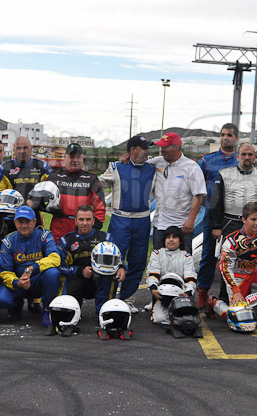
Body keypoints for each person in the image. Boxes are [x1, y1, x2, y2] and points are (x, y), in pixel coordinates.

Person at [207, 142, 257, 304]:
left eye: (250, 154)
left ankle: (248, 299)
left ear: (255, 157)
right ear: (237, 156)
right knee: (228, 264)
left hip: (255, 226)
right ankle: (225, 298)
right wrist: (216, 225)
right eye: (243, 154)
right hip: (230, 223)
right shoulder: (224, 174)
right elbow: (215, 202)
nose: (247, 157)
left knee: (251, 263)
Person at [98, 134, 157, 314]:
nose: (147, 151)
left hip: (142, 220)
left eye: (148, 148)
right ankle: (107, 300)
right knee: (113, 259)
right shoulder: (116, 167)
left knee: (138, 262)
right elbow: (97, 184)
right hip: (120, 220)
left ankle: (127, 299)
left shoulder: (153, 169)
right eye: (144, 148)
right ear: (133, 150)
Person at [208, 202, 257, 328]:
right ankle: (213, 302)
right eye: (253, 219)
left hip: (253, 274)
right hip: (236, 278)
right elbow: (225, 268)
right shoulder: (231, 241)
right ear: (244, 220)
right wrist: (236, 290)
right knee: (236, 317)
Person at [195, 124, 240, 309]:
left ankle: (232, 293)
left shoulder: (243, 158)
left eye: (229, 135)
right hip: (212, 216)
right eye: (222, 135)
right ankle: (202, 292)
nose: (225, 138)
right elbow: (195, 185)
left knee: (236, 257)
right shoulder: (206, 161)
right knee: (208, 255)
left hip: (236, 216)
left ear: (236, 138)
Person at [0, 205, 61, 326]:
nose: (24, 225)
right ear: (15, 222)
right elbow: (5, 272)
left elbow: (55, 258)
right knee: (0, 299)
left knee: (53, 273)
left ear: (35, 221)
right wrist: (16, 282)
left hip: (37, 281)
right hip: (18, 283)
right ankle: (16, 305)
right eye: (20, 222)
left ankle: (47, 310)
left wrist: (32, 268)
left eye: (28, 222)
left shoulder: (44, 236)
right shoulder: (8, 242)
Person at [58, 205, 126, 313]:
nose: (85, 223)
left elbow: (117, 257)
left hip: (100, 279)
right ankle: (69, 311)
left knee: (109, 274)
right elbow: (60, 267)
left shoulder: (105, 238)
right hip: (76, 278)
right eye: (81, 219)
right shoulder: (66, 241)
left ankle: (105, 311)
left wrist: (122, 267)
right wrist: (80, 271)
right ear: (75, 221)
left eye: (88, 219)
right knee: (63, 281)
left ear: (93, 221)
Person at [149, 133, 206, 250]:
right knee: (159, 261)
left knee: (182, 263)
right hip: (160, 224)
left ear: (176, 147)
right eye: (161, 147)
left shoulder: (192, 168)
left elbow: (198, 195)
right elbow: (138, 163)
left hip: (181, 226)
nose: (162, 150)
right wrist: (126, 158)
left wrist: (191, 220)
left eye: (165, 147)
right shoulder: (158, 162)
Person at [44, 142, 107, 241]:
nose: (75, 160)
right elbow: (40, 200)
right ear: (65, 158)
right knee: (57, 255)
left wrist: (94, 228)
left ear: (82, 158)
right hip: (59, 227)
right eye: (71, 157)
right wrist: (50, 208)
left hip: (82, 228)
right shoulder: (54, 177)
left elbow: (100, 207)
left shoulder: (91, 179)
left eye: (78, 157)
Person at [145, 225, 197, 325]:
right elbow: (153, 274)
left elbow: (190, 278)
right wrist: (153, 289)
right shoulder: (157, 254)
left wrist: (188, 293)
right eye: (168, 237)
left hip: (180, 295)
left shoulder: (186, 256)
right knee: (159, 319)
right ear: (164, 240)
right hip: (161, 294)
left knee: (185, 320)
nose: (171, 240)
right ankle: (155, 304)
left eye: (174, 237)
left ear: (181, 240)